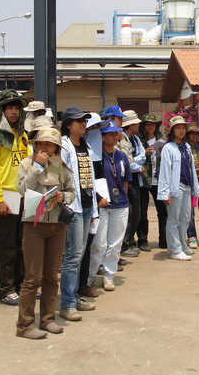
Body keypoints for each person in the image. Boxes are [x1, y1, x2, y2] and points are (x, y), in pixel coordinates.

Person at [16, 127, 76, 339]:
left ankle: (48, 319)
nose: (43, 148)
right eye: (40, 144)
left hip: (57, 226)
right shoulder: (27, 164)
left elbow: (72, 191)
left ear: (56, 147)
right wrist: (37, 167)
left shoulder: (63, 167)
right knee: (33, 277)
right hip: (34, 224)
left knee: (51, 276)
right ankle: (25, 325)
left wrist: (64, 197)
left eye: (48, 144)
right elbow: (22, 189)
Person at [0, 89, 29, 306]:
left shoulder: (23, 135)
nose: (13, 112)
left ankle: (21, 286)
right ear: (2, 111)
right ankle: (5, 289)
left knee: (22, 245)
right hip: (5, 198)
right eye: (9, 108)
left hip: (22, 197)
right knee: (5, 247)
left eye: (16, 108)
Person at [59, 106, 99, 321]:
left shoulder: (85, 145)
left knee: (80, 253)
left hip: (86, 205)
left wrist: (93, 207)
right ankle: (67, 304)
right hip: (73, 207)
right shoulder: (64, 146)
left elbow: (89, 177)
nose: (83, 124)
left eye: (84, 120)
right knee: (73, 256)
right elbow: (60, 177)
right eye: (78, 121)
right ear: (68, 125)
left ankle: (73, 297)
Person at [88, 121, 132, 292]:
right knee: (99, 244)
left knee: (115, 244)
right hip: (102, 204)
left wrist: (121, 197)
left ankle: (109, 275)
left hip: (120, 204)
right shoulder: (96, 156)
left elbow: (126, 181)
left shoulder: (121, 156)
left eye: (116, 133)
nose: (115, 136)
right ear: (102, 136)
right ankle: (91, 274)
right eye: (111, 134)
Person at [157, 116, 199, 261]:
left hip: (187, 186)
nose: (181, 131)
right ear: (172, 131)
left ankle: (182, 244)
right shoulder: (168, 148)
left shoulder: (187, 147)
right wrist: (165, 192)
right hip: (175, 187)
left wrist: (195, 188)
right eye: (178, 128)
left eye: (183, 128)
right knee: (173, 219)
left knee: (186, 218)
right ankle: (175, 249)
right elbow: (165, 172)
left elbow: (191, 169)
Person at [78, 113, 110, 299]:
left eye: (99, 129)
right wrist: (97, 197)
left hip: (96, 204)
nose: (96, 132)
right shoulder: (78, 149)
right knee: (81, 248)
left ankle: (85, 280)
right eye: (92, 128)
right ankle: (79, 284)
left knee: (95, 243)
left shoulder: (94, 151)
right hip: (83, 203)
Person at [138, 114, 167, 250]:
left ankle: (164, 240)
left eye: (152, 124)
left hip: (159, 180)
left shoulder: (162, 141)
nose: (150, 127)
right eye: (147, 124)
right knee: (142, 212)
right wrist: (144, 154)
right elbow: (134, 157)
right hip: (144, 179)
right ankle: (142, 240)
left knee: (163, 211)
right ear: (143, 126)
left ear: (156, 126)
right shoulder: (139, 141)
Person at [119, 110, 146, 257]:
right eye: (136, 123)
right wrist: (137, 166)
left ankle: (129, 241)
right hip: (126, 181)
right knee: (128, 214)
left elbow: (142, 156)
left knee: (136, 213)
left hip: (136, 181)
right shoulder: (121, 138)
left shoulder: (135, 139)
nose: (138, 125)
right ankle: (124, 244)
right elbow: (126, 162)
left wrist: (134, 161)